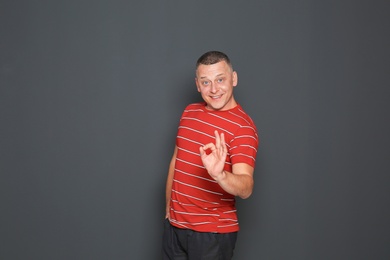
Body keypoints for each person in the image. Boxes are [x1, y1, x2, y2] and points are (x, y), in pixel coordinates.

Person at [162, 51, 259, 259]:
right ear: (197, 85)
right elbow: (176, 161)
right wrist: (168, 208)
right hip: (175, 228)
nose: (214, 89)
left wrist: (220, 175)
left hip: (212, 235)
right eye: (206, 82)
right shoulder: (189, 112)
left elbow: (246, 187)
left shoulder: (243, 127)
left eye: (220, 79)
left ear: (234, 79)